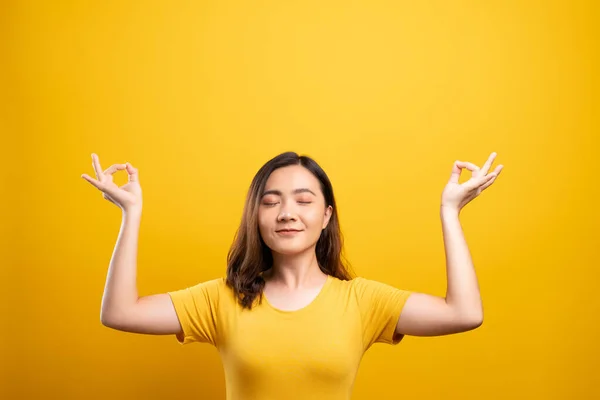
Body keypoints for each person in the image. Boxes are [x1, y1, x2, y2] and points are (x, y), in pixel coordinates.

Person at [81, 151, 503, 400]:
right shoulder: (220, 299)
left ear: (325, 216)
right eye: (271, 201)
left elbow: (463, 313)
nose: (287, 213)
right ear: (257, 216)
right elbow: (119, 312)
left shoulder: (363, 301)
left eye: (304, 200)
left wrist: (450, 211)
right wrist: (130, 214)